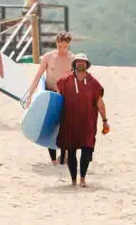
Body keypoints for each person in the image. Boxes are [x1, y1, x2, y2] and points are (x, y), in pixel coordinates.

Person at [55, 53, 109, 188]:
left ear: (87, 65)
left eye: (83, 62)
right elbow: (56, 100)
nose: (81, 63)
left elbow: (100, 102)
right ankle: (73, 179)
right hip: (70, 123)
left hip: (87, 124)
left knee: (86, 151)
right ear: (74, 64)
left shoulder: (94, 83)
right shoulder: (65, 81)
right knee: (71, 152)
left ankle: (83, 178)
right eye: (78, 61)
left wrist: (105, 120)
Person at [23, 31, 75, 165]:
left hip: (64, 96)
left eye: (65, 46)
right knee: (49, 124)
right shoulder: (48, 57)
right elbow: (38, 75)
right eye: (59, 46)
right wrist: (30, 95)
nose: (62, 49)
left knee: (64, 127)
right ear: (56, 44)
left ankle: (64, 156)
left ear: (68, 45)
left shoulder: (73, 60)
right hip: (49, 95)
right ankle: (53, 160)